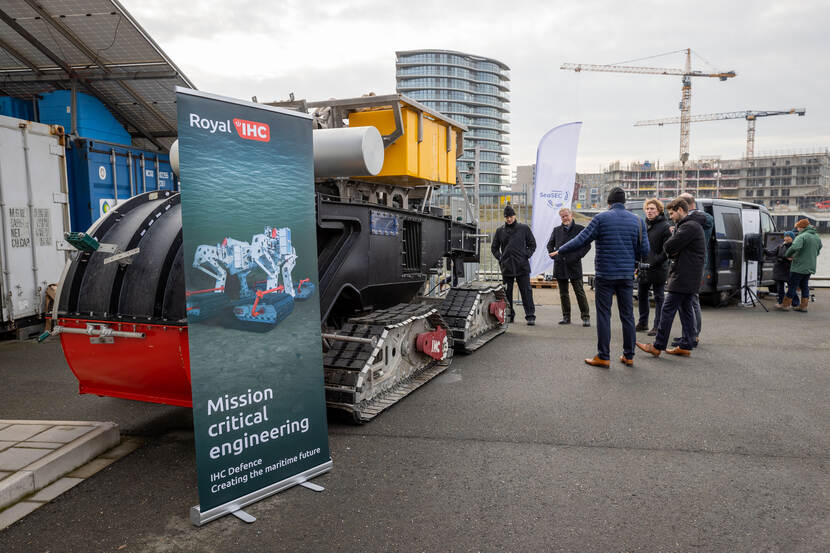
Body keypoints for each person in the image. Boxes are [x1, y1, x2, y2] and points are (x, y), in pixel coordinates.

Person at [553, 187, 649, 368]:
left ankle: (604, 356)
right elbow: (645, 250)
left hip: (605, 275)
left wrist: (561, 250)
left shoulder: (601, 218)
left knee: (604, 315)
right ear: (625, 202)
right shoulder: (637, 221)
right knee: (627, 315)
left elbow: (581, 240)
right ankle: (629, 356)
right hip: (626, 275)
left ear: (609, 202)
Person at [637, 197, 704, 358]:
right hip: (690, 274)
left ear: (681, 210)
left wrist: (673, 247)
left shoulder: (688, 227)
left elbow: (668, 246)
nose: (671, 217)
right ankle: (686, 344)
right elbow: (672, 248)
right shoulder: (691, 226)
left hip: (683, 274)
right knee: (686, 308)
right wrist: (673, 247)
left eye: (672, 213)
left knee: (667, 309)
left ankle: (657, 345)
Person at [673, 193, 713, 349]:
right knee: (687, 301)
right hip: (688, 262)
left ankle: (693, 335)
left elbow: (706, 220)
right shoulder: (694, 220)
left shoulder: (703, 218)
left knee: (693, 300)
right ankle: (688, 335)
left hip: (695, 264)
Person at [491, 205, 537, 325]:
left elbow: (532, 245)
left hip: (522, 266)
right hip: (507, 267)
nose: (509, 219)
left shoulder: (524, 228)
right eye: (506, 217)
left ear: (514, 216)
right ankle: (509, 315)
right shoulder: (500, 231)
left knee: (526, 292)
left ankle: (530, 316)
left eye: (510, 216)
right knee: (507, 293)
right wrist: (501, 258)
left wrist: (526, 255)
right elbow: (494, 248)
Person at [546, 207, 591, 327]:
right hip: (560, 265)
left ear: (571, 215)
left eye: (566, 215)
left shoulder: (580, 229)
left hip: (574, 265)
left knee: (579, 291)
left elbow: (587, 246)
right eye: (562, 216)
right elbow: (550, 245)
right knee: (563, 293)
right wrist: (554, 257)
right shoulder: (556, 230)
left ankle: (585, 317)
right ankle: (566, 317)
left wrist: (577, 256)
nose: (565, 218)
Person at [635, 199, 672, 336]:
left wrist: (655, 260)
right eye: (647, 209)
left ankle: (658, 326)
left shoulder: (665, 226)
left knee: (659, 297)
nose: (649, 211)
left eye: (652, 209)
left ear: (659, 211)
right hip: (643, 267)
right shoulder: (643, 225)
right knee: (642, 295)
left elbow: (667, 249)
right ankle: (643, 322)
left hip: (658, 268)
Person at [782, 218, 823, 312]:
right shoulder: (816, 236)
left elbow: (795, 247)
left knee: (792, 285)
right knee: (804, 285)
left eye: (798, 227)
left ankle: (785, 305)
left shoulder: (802, 236)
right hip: (810, 266)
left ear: (802, 227)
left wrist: (787, 254)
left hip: (799, 266)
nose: (797, 229)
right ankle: (803, 306)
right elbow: (819, 247)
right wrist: (813, 255)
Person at [765, 231, 797, 309]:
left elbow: (793, 258)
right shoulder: (780, 246)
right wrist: (764, 250)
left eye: (788, 236)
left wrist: (786, 258)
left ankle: (795, 303)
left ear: (792, 238)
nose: (786, 238)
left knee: (791, 287)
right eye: (785, 236)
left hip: (789, 269)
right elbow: (772, 253)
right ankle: (781, 302)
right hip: (779, 269)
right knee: (780, 288)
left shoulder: (795, 247)